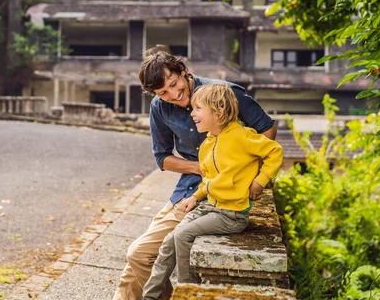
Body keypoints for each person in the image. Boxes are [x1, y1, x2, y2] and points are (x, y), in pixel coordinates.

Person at [113, 49, 277, 300]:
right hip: (191, 188)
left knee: (148, 253)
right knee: (137, 256)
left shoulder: (224, 94)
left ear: (183, 71)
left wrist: (250, 177)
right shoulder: (160, 107)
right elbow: (163, 158)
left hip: (227, 197)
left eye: (173, 84)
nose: (173, 95)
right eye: (162, 93)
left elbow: (267, 129)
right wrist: (198, 168)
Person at [141, 84, 283, 299]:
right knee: (169, 242)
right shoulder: (208, 143)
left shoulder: (242, 136)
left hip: (231, 214)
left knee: (182, 234)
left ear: (219, 112)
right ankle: (149, 296)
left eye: (198, 108)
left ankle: (188, 292)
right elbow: (209, 181)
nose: (192, 113)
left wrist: (259, 182)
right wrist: (194, 198)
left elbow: (275, 151)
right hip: (211, 206)